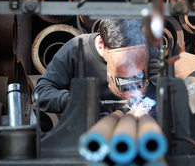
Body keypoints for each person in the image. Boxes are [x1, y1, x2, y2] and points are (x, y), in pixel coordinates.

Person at [32, 19, 160, 116]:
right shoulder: (75, 50)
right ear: (100, 43)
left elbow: (173, 94)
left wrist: (164, 79)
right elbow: (40, 93)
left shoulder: (145, 50)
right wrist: (72, 100)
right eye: (124, 61)